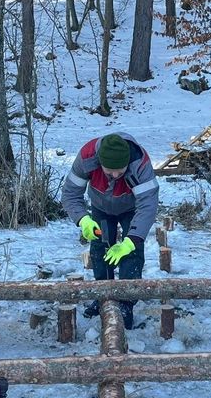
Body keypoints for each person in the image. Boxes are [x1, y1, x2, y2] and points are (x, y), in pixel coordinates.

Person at [61, 132, 159, 329]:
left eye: (119, 171)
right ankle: (103, 295)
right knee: (100, 248)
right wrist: (83, 219)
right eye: (109, 171)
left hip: (132, 208)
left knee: (131, 253)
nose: (115, 176)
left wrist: (131, 240)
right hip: (100, 206)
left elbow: (148, 205)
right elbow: (70, 194)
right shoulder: (87, 157)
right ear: (100, 162)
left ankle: (126, 303)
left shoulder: (140, 164)